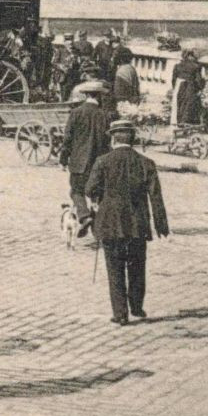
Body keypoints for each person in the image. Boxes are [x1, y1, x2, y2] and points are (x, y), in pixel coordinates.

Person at [86, 120, 170, 325]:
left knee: (114, 269)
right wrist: (161, 225)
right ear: (132, 139)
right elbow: (156, 197)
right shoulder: (146, 163)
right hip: (137, 224)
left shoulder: (102, 161)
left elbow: (90, 189)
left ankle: (120, 313)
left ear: (113, 138)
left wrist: (97, 200)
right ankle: (136, 306)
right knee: (137, 266)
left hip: (110, 224)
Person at [60, 79, 113, 234]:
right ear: (100, 97)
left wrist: (63, 159)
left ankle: (84, 216)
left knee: (76, 191)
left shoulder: (76, 113)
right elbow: (108, 140)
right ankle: (96, 220)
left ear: (86, 95)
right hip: (98, 163)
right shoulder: (104, 116)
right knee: (97, 193)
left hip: (79, 163)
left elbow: (67, 139)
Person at [171, 49, 203, 129]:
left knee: (179, 103)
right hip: (190, 86)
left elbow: (173, 80)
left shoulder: (177, 66)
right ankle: (186, 122)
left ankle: (178, 122)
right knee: (189, 104)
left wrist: (175, 87)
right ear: (190, 56)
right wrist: (199, 89)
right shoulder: (196, 66)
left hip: (179, 85)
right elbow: (198, 80)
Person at [112, 46, 141, 111]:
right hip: (133, 102)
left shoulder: (121, 71)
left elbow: (119, 92)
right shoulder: (131, 68)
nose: (113, 58)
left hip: (124, 104)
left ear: (120, 59)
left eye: (114, 56)